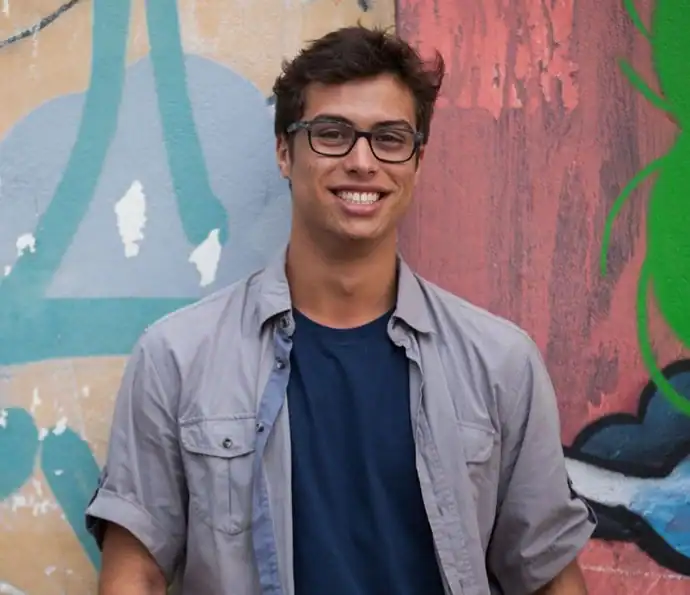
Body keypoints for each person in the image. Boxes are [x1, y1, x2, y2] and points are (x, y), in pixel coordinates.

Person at [86, 25, 596, 595]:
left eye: (390, 139)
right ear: (285, 151)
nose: (362, 161)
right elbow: (135, 571)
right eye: (332, 134)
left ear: (418, 160)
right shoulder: (178, 358)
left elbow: (547, 573)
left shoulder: (500, 363)